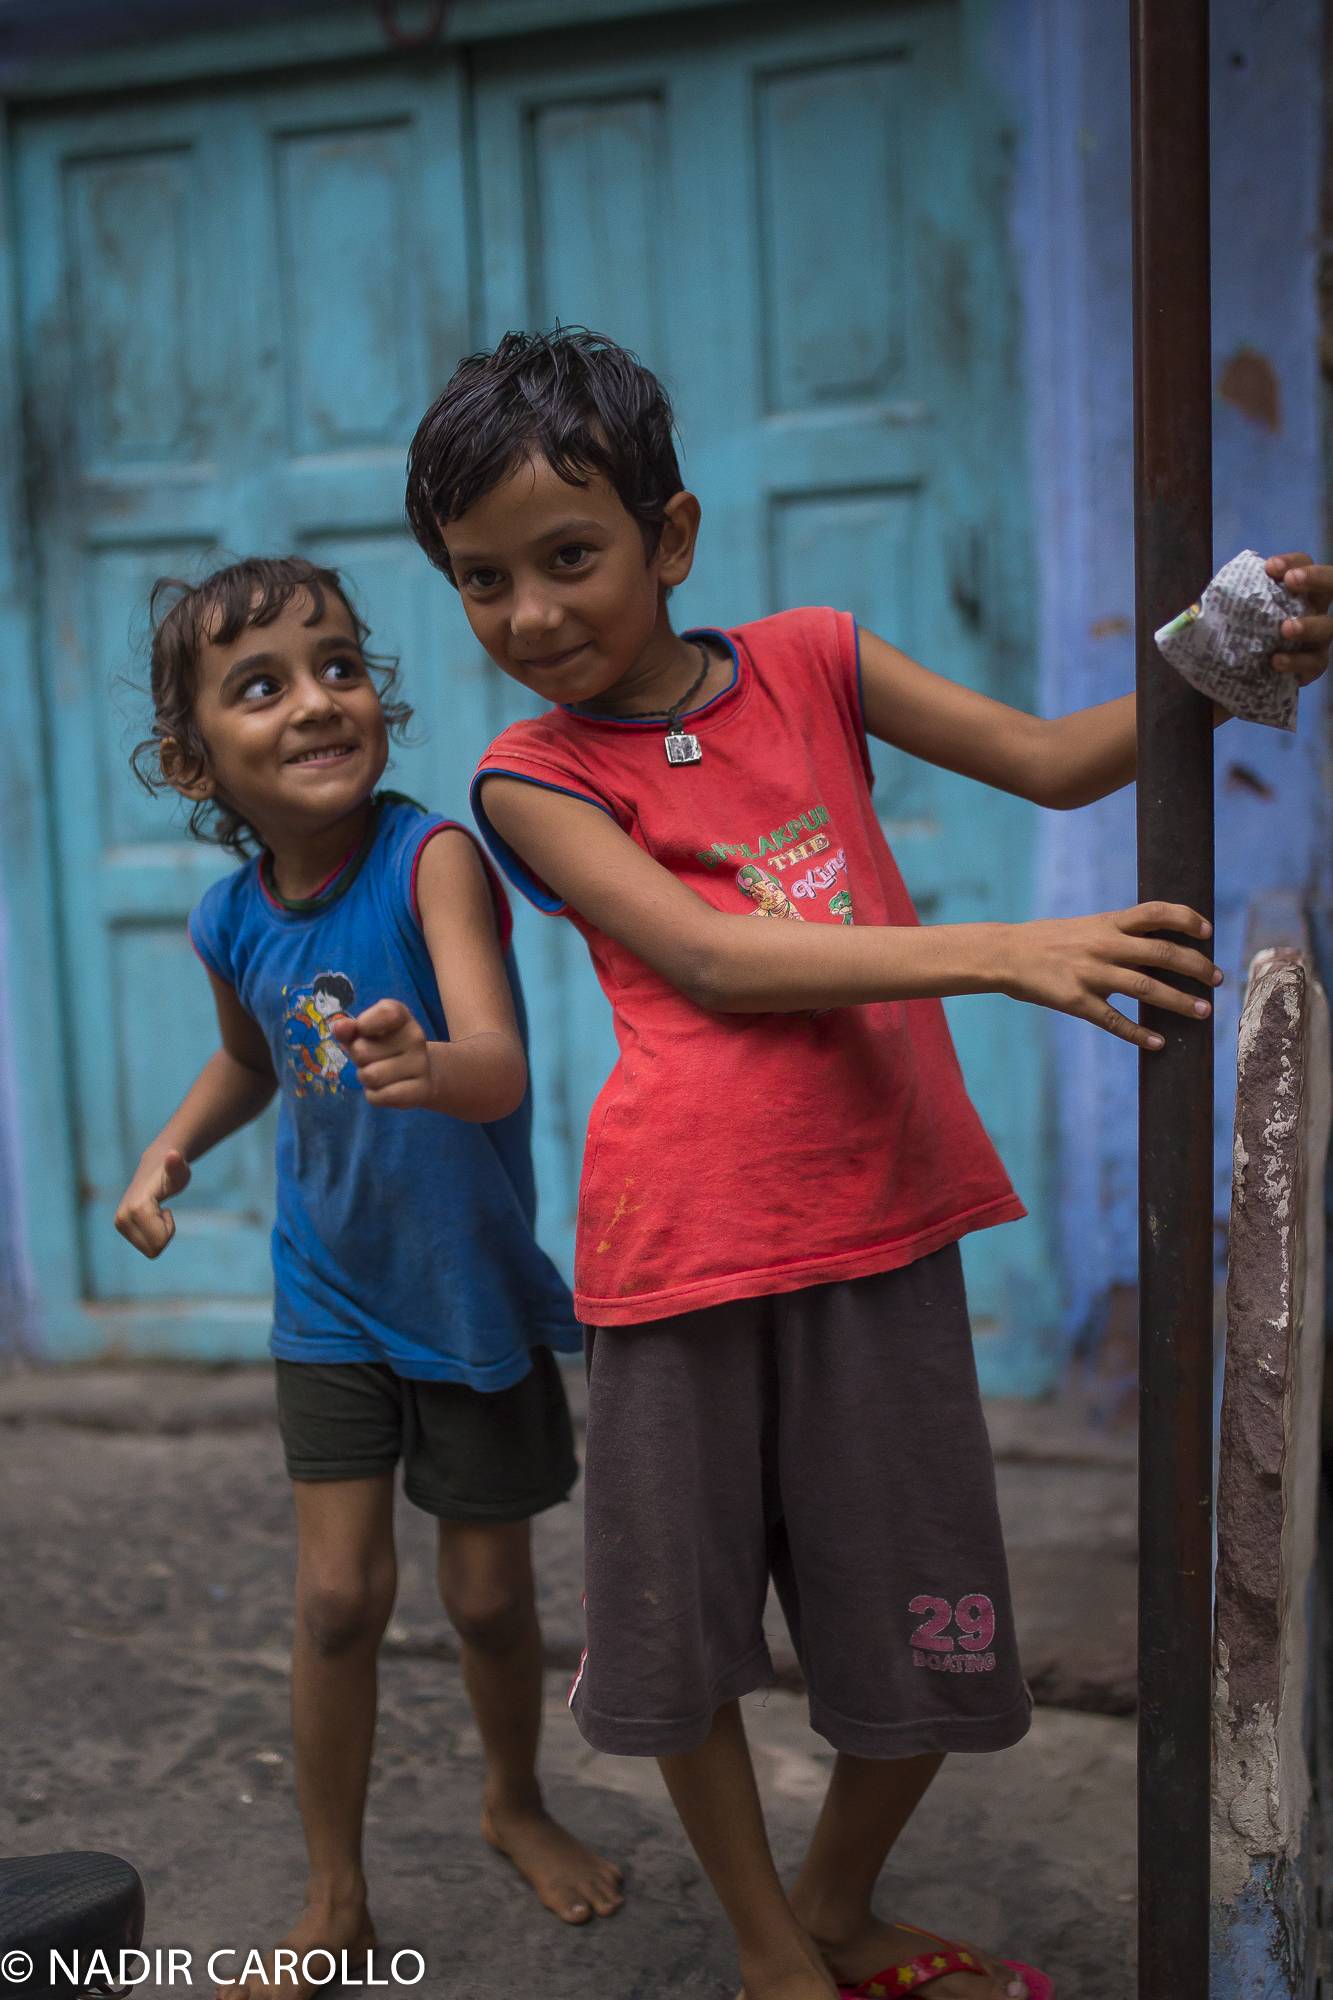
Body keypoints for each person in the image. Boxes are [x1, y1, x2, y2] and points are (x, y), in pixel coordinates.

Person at [401, 330, 1333, 2000]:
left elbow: (1052, 760)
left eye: (568, 558)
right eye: (482, 583)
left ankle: (835, 1900)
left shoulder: (814, 659)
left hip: (879, 1224)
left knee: (926, 1627)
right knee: (679, 1639)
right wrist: (1001, 953)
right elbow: (713, 961)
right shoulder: (528, 778)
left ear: (668, 539)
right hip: (679, 1250)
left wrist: (1213, 651)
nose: (532, 616)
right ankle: (771, 1953)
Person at [113, 556, 624, 2000]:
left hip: (466, 1298)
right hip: (324, 1295)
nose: (315, 701)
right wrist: (168, 1152)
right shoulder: (230, 917)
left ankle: (512, 1800)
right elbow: (252, 1055)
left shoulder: (431, 859)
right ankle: (332, 1899)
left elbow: (497, 1061)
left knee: (483, 1603)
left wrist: (429, 1066)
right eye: (260, 686)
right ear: (193, 750)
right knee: (337, 1602)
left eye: (338, 665)